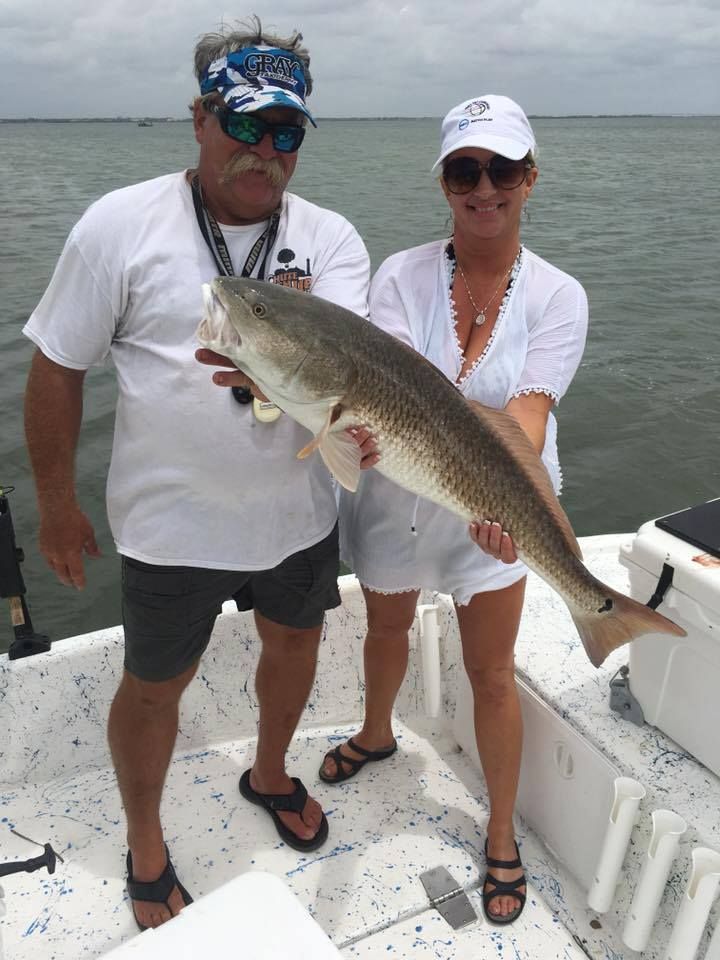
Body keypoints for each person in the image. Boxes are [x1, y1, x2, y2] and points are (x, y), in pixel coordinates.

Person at [23, 16, 376, 931]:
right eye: (245, 123)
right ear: (199, 117)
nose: (264, 152)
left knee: (293, 649)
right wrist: (56, 506)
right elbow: (58, 365)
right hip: (170, 529)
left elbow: (347, 374)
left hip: (296, 520)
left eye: (286, 133)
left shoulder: (331, 239)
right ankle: (146, 841)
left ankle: (268, 770)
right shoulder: (119, 226)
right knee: (153, 686)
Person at [321, 95, 588, 925]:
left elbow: (529, 420)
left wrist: (506, 507)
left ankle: (501, 834)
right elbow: (394, 396)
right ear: (444, 182)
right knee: (387, 631)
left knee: (491, 674)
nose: (485, 188)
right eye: (465, 171)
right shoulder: (398, 275)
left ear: (530, 178)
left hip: (495, 514)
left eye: (502, 169)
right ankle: (375, 732)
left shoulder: (559, 296)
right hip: (399, 495)